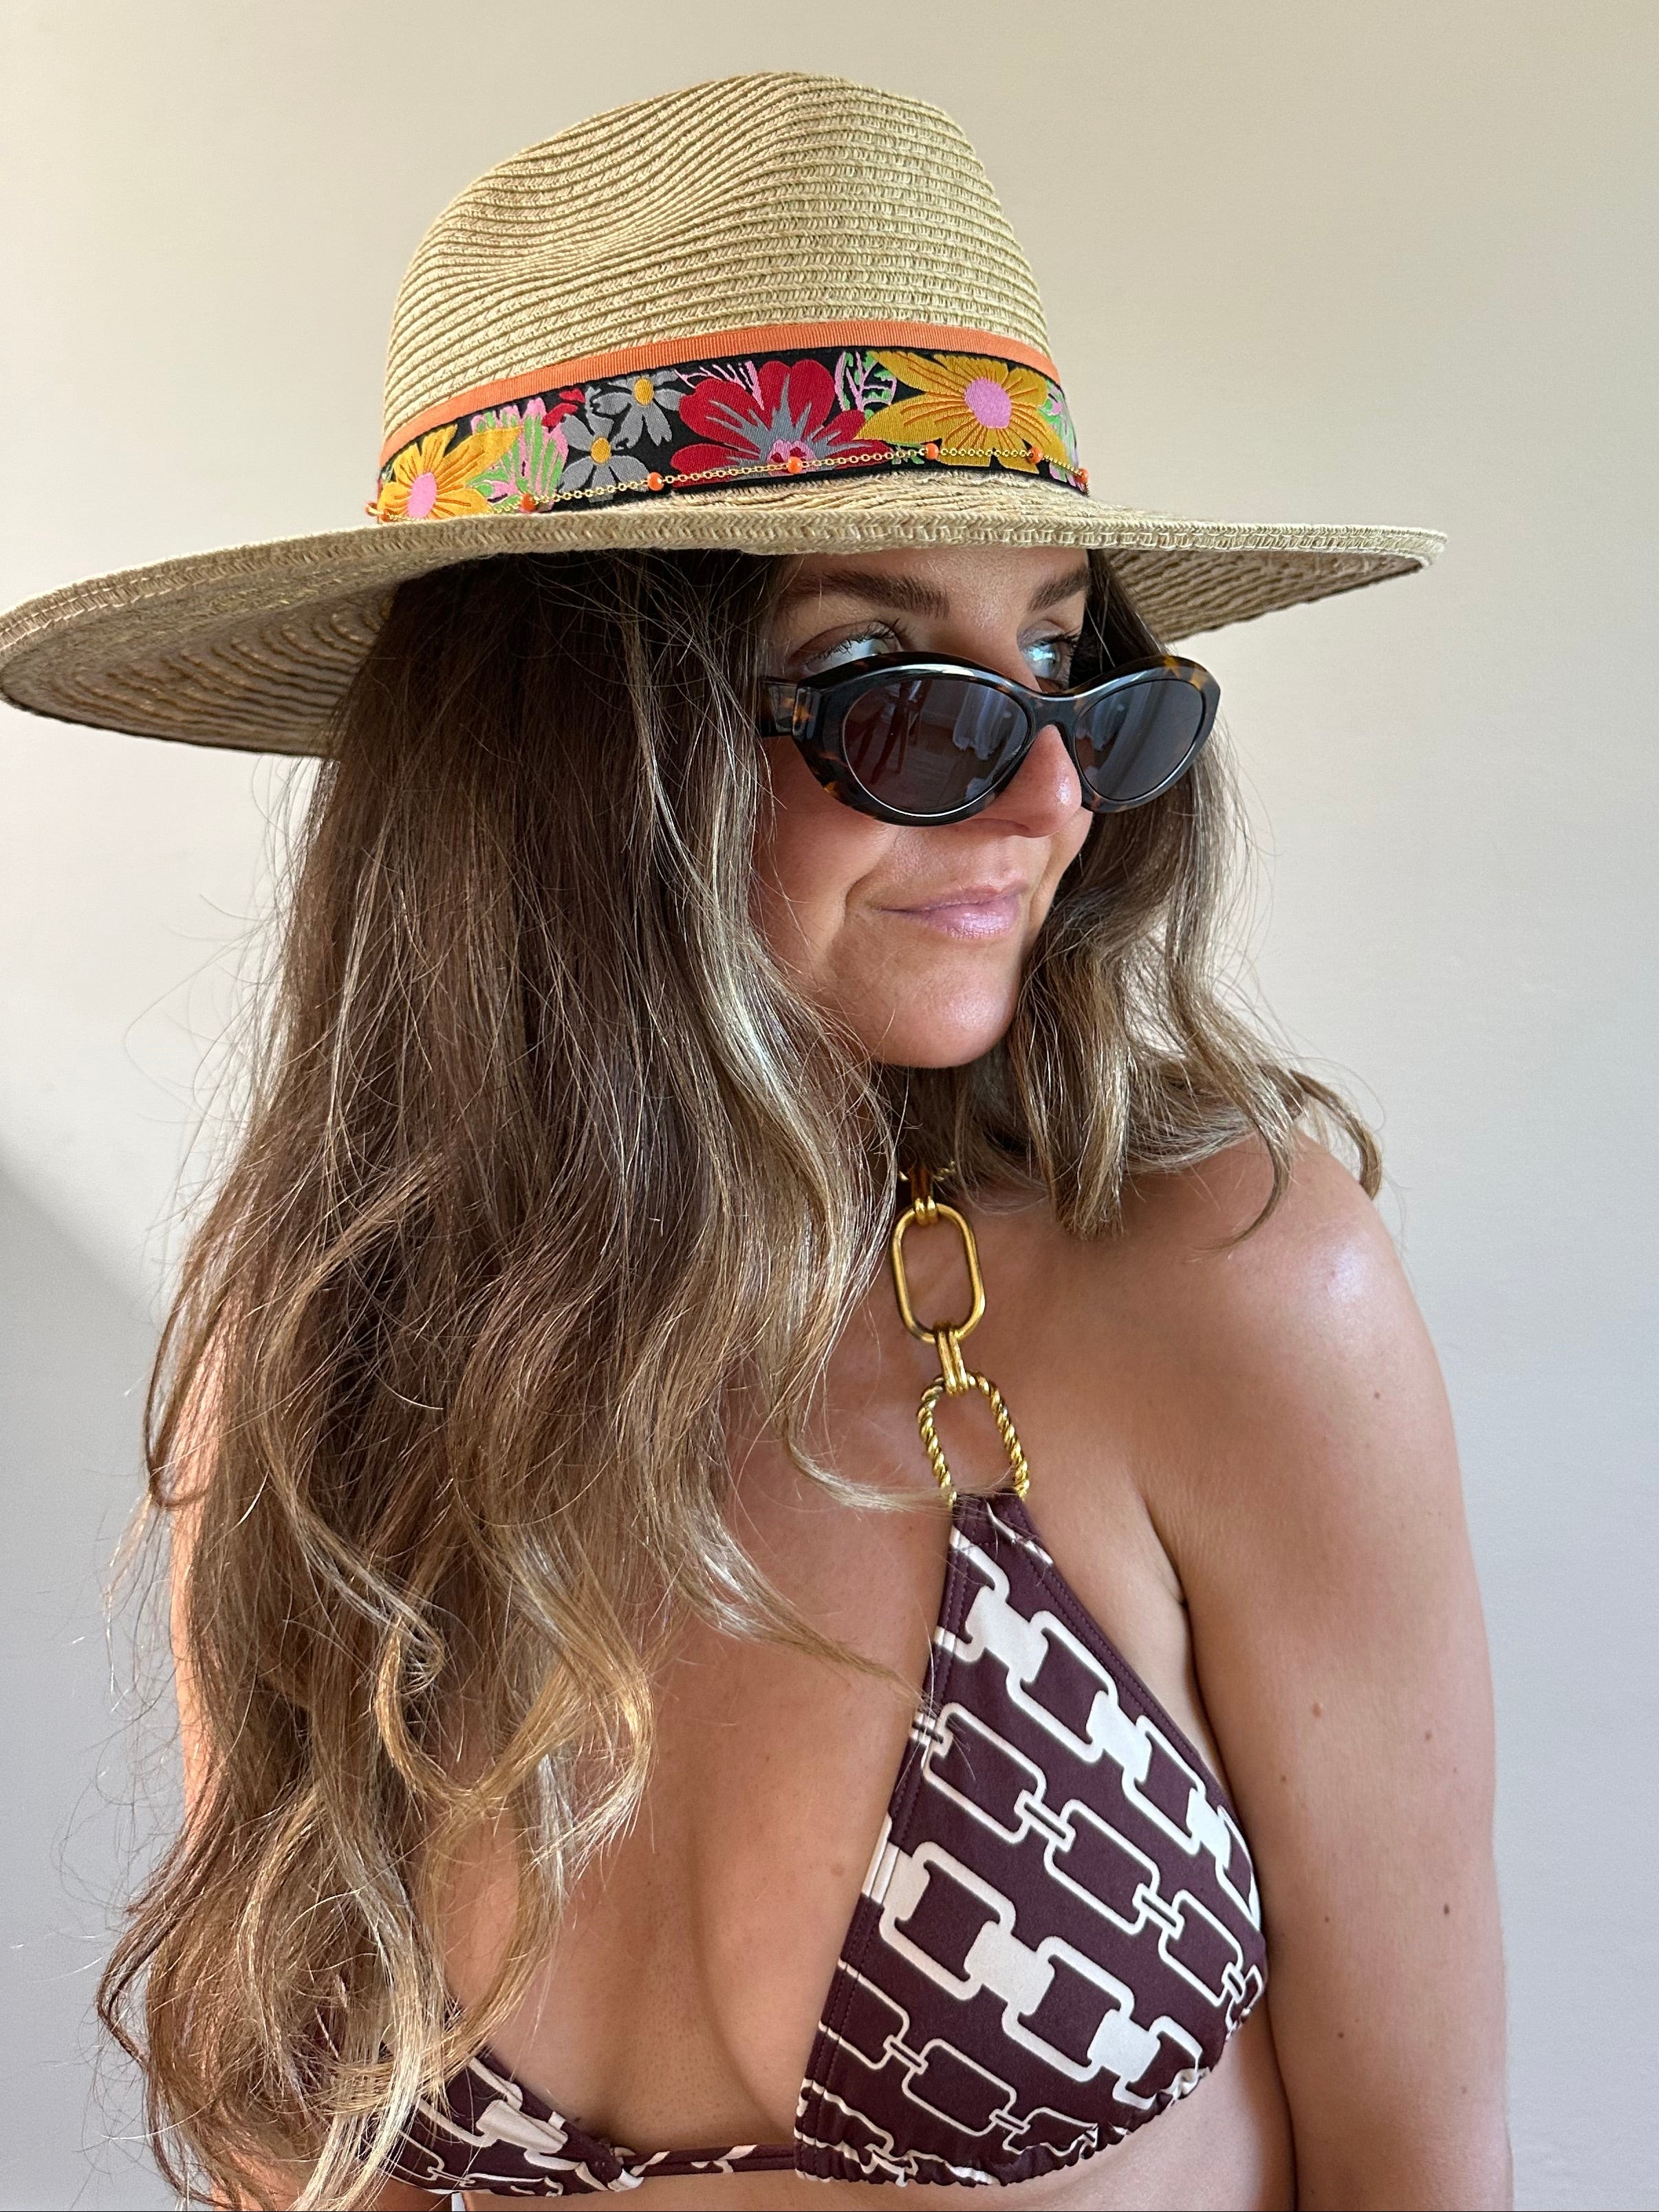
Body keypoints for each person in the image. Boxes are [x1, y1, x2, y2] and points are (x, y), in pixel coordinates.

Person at [0, 72, 1510, 2211]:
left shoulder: (1224, 1290)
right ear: (569, 756)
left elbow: (1419, 2166)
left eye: (1068, 667)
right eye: (897, 686)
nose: (1051, 798)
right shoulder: (321, 1373)